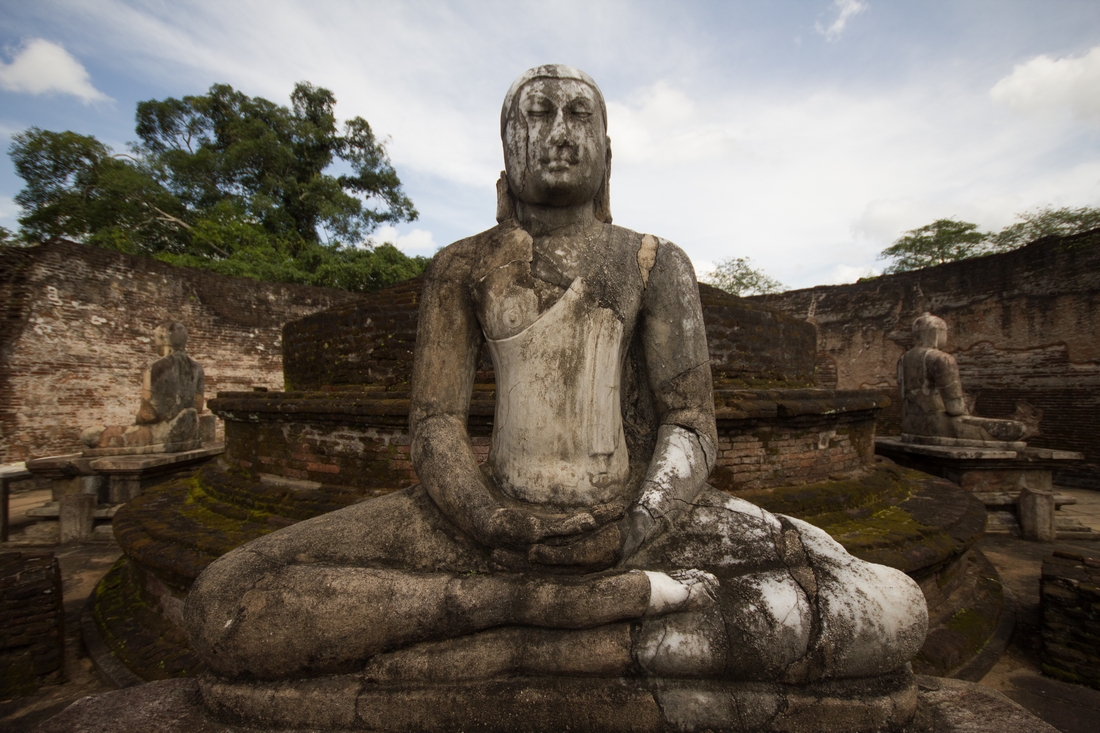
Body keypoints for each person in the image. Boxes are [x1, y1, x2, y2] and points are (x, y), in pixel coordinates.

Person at [185, 65, 926, 688]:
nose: (561, 131)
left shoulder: (653, 261)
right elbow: (435, 424)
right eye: (538, 114)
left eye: (579, 115)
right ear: (509, 143)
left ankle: (546, 639)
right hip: (483, 527)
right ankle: (529, 618)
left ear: (607, 149)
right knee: (224, 600)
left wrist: (635, 526)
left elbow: (691, 424)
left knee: (890, 605)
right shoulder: (462, 266)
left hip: (637, 521)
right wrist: (490, 520)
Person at [898, 312, 1026, 442]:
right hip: (937, 424)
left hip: (910, 424)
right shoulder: (941, 359)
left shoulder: (902, 360)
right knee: (1015, 428)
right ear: (937, 333)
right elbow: (955, 408)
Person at [81, 321, 205, 451]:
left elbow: (148, 415)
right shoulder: (197, 368)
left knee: (90, 435)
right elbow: (197, 407)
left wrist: (137, 421)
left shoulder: (157, 368)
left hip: (162, 433)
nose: (155, 343)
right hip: (191, 432)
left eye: (156, 338)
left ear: (163, 338)